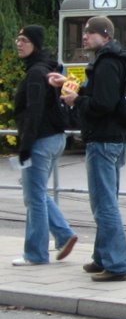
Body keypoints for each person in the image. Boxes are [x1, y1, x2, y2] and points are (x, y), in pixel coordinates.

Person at [49, 15, 126, 281]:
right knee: (106, 202)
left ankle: (117, 264)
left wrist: (75, 102)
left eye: (91, 33)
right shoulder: (110, 60)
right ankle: (102, 258)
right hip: (114, 139)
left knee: (104, 205)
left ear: (106, 36)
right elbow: (95, 94)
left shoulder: (107, 63)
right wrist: (67, 85)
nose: (85, 36)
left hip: (104, 140)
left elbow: (102, 104)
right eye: (85, 32)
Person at [11, 25, 78, 266]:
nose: (19, 43)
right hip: (54, 138)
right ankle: (64, 235)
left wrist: (25, 146)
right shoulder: (47, 68)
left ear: (35, 44)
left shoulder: (36, 73)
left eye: (24, 40)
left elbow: (34, 112)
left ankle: (36, 254)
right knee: (37, 193)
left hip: (40, 140)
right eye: (18, 39)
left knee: (34, 198)